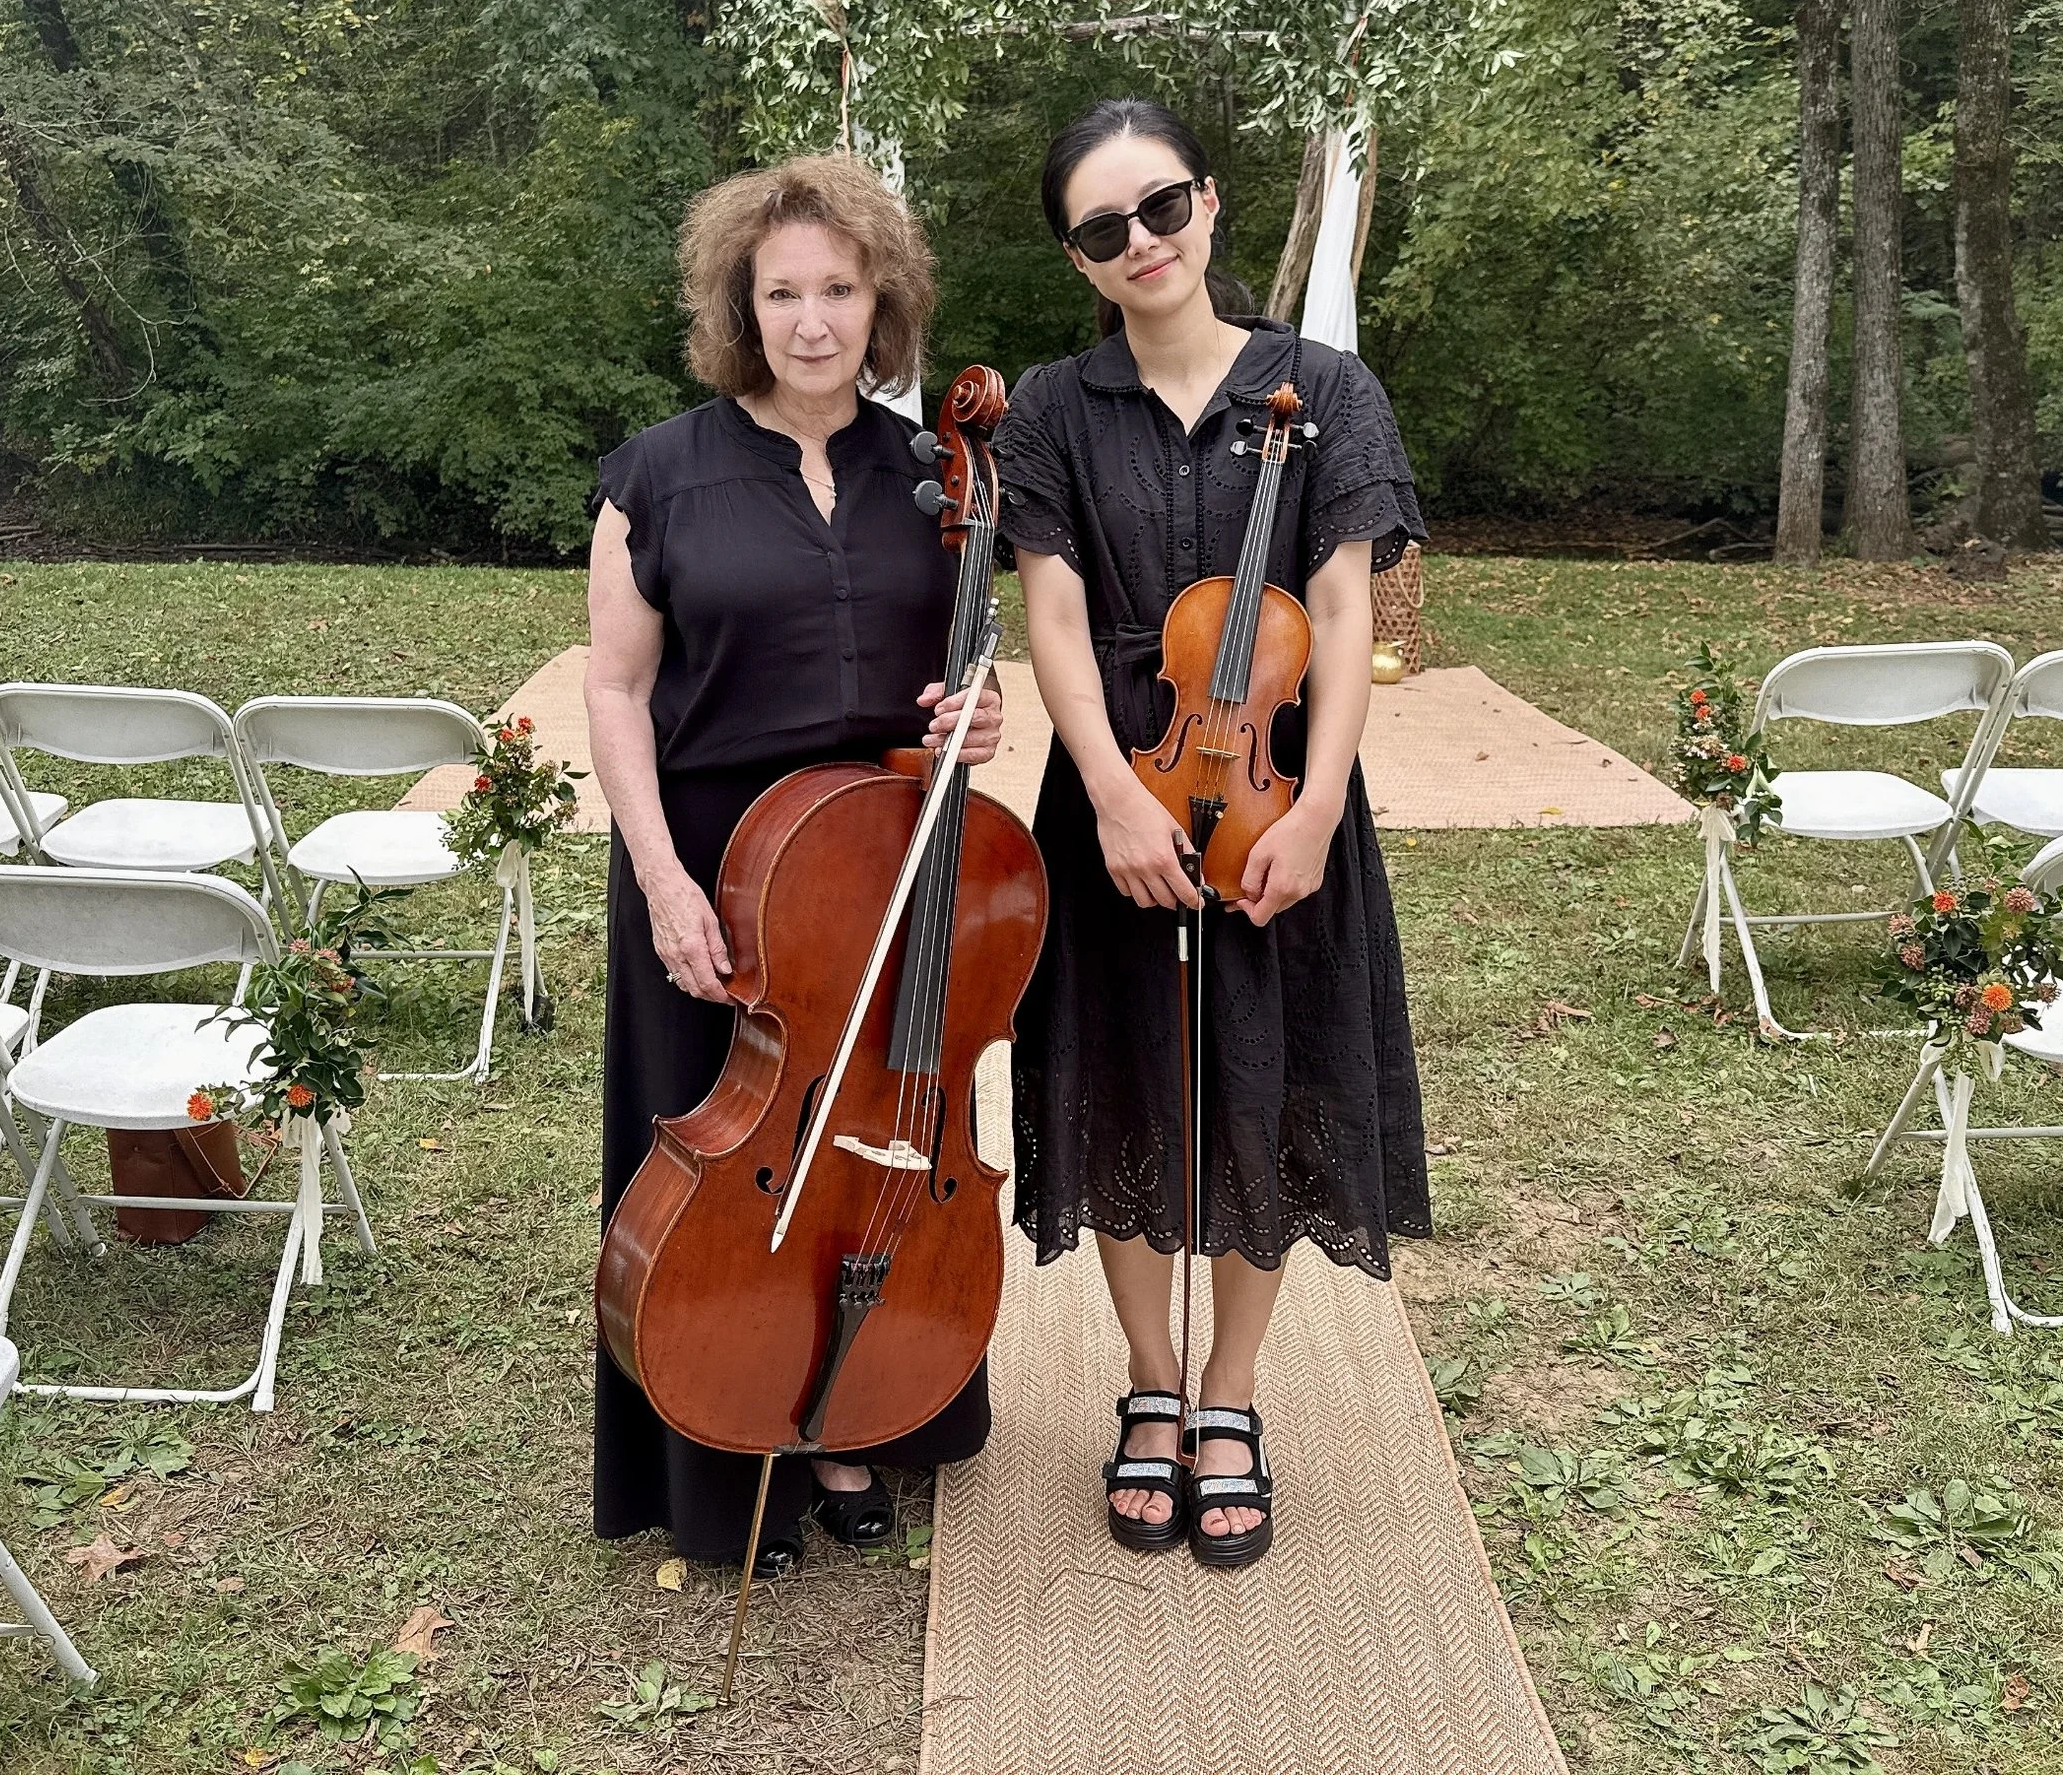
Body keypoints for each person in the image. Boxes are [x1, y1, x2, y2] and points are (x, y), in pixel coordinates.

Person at [995, 99, 1430, 1569]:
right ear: (1077, 257)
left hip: (1279, 797)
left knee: (1266, 1079)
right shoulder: (1053, 409)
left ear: (1211, 203)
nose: (1142, 243)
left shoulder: (1326, 389)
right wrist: (1111, 793)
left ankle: (1232, 1393)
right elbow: (1054, 616)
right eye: (1103, 229)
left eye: (1162, 207)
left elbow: (1346, 607)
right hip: (1115, 790)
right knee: (1120, 1074)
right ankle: (1151, 1382)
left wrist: (1318, 804)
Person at [584, 154, 1003, 1576]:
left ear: (883, 302)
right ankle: (722, 1449)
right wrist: (660, 879)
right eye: (782, 293)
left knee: (875, 1137)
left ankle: (855, 1409)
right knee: (720, 1159)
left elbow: (960, 671)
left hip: (887, 861)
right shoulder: (659, 474)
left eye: (839, 289)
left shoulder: (935, 475)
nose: (812, 320)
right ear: (739, 306)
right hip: (716, 860)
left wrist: (978, 715)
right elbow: (616, 691)